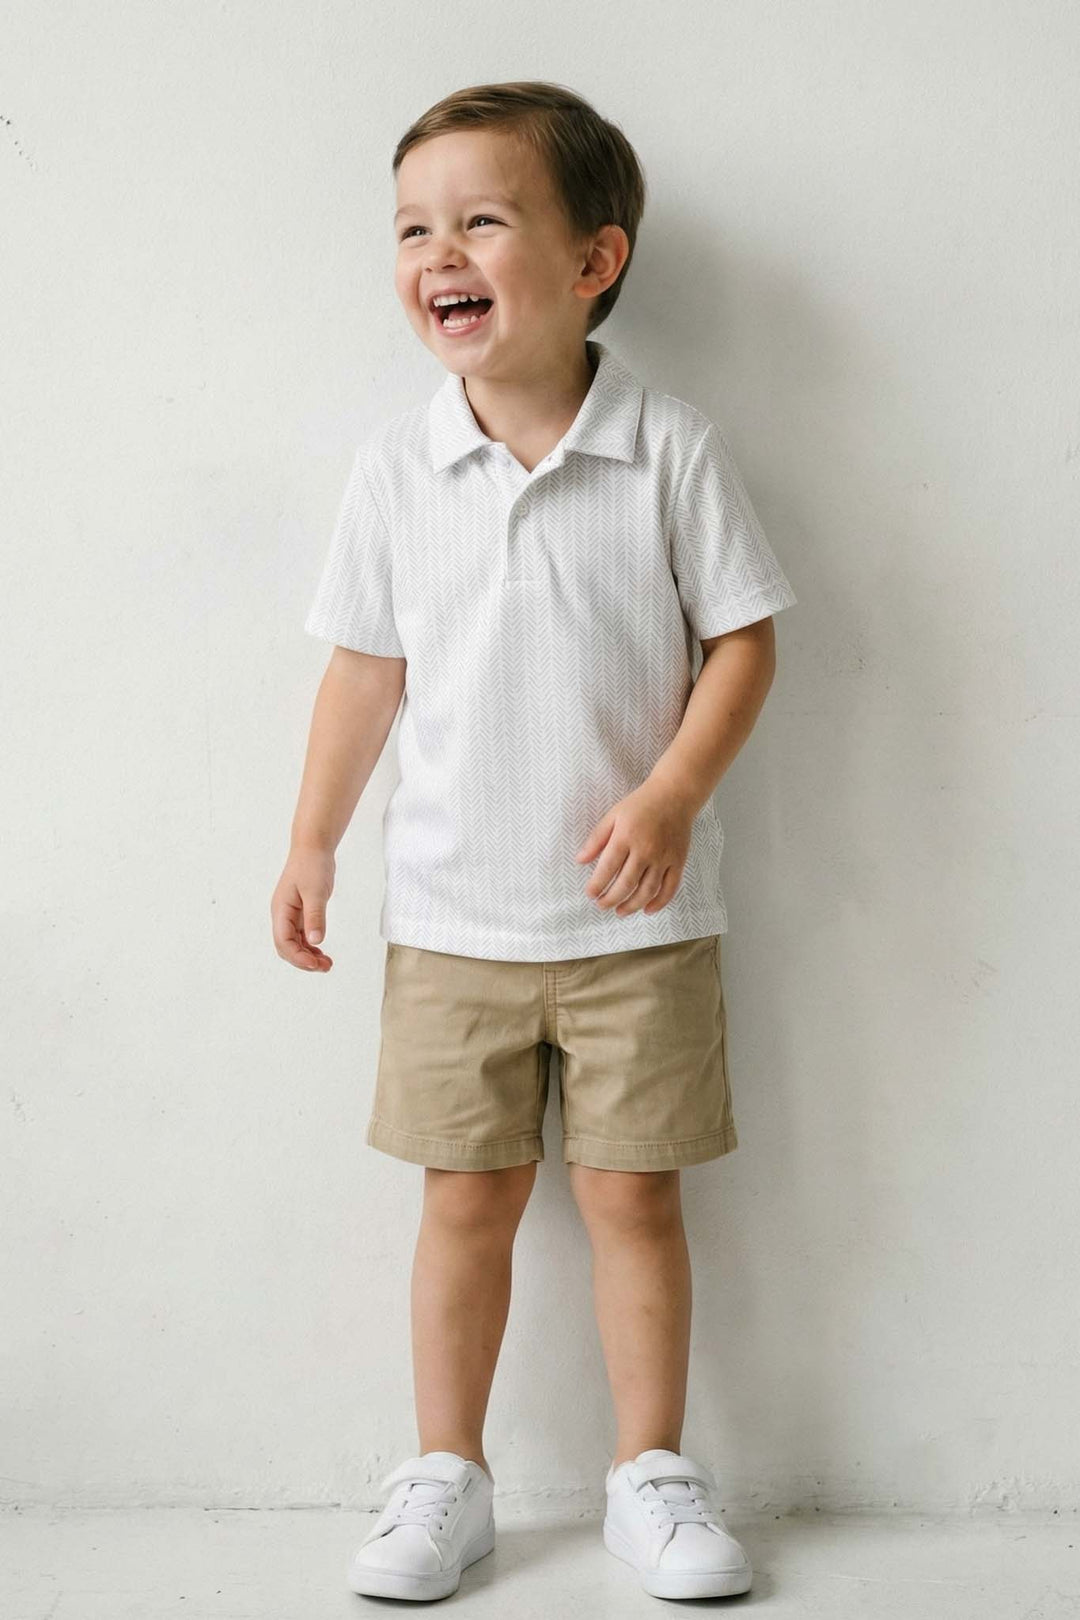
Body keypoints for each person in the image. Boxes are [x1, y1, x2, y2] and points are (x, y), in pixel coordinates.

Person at [271, 80, 797, 1604]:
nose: (439, 252)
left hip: (640, 926)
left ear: (592, 260)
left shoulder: (668, 447)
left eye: (482, 220)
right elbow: (363, 670)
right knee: (465, 1202)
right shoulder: (397, 467)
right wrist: (311, 842)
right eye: (413, 229)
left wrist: (672, 793)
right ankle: (448, 1472)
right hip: (451, 922)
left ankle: (652, 1473)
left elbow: (745, 641)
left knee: (636, 1199)